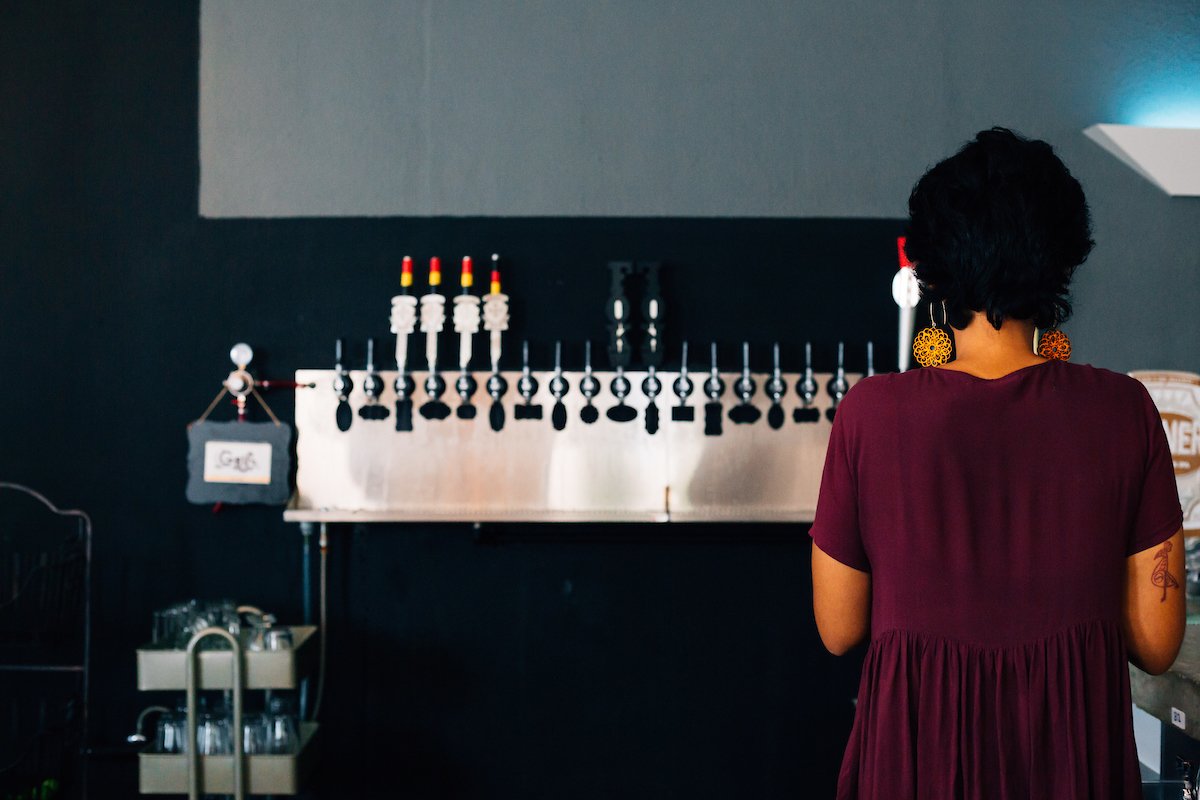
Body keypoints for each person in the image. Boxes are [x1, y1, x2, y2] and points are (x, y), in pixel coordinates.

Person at [809, 127, 1185, 799]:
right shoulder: (1124, 411)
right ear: (1061, 263)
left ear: (934, 268)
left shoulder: (871, 415)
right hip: (1069, 763)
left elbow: (838, 629)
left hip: (916, 763)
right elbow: (1158, 645)